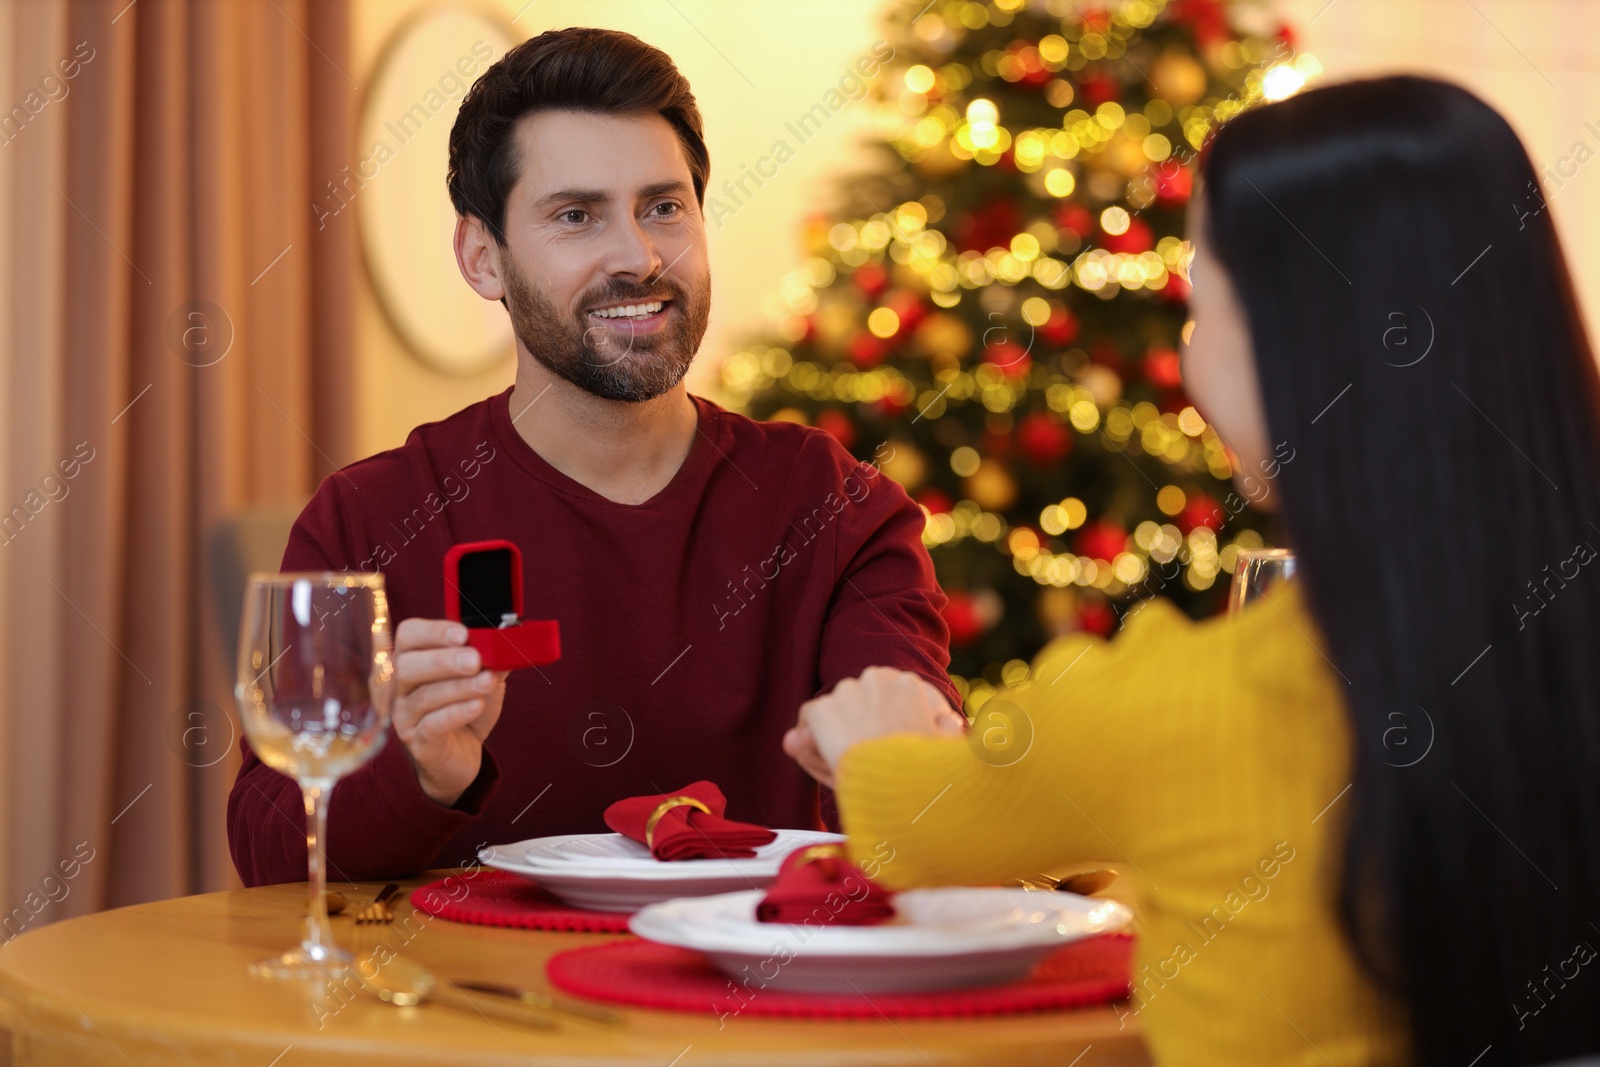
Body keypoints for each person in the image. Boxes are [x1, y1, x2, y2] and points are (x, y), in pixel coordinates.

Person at [792, 75, 1600, 1066]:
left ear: (1286, 350)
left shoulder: (1171, 709)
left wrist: (870, 738)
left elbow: (908, 822)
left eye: (1197, 303)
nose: (1184, 351)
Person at [227, 27, 963, 888]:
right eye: (576, 216)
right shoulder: (369, 518)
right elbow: (273, 858)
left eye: (664, 207)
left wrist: (906, 763)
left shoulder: (839, 507)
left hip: (756, 1008)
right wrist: (424, 774)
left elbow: (922, 774)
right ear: (481, 257)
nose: (639, 257)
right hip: (465, 1013)